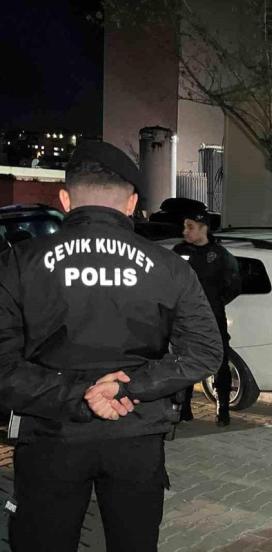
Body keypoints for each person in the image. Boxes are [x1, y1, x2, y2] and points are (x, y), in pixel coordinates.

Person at [0, 141, 223, 551]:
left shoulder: (18, 263)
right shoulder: (169, 267)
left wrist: (77, 395)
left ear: (65, 199)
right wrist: (127, 387)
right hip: (136, 436)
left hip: (51, 436)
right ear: (131, 203)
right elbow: (205, 352)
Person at [173, 207, 242, 425]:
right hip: (185, 319)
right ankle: (184, 408)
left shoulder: (220, 255)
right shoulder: (179, 251)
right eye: (184, 227)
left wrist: (214, 303)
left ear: (203, 228)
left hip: (213, 318)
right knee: (185, 360)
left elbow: (234, 285)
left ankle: (223, 410)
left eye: (190, 227)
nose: (185, 231)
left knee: (219, 361)